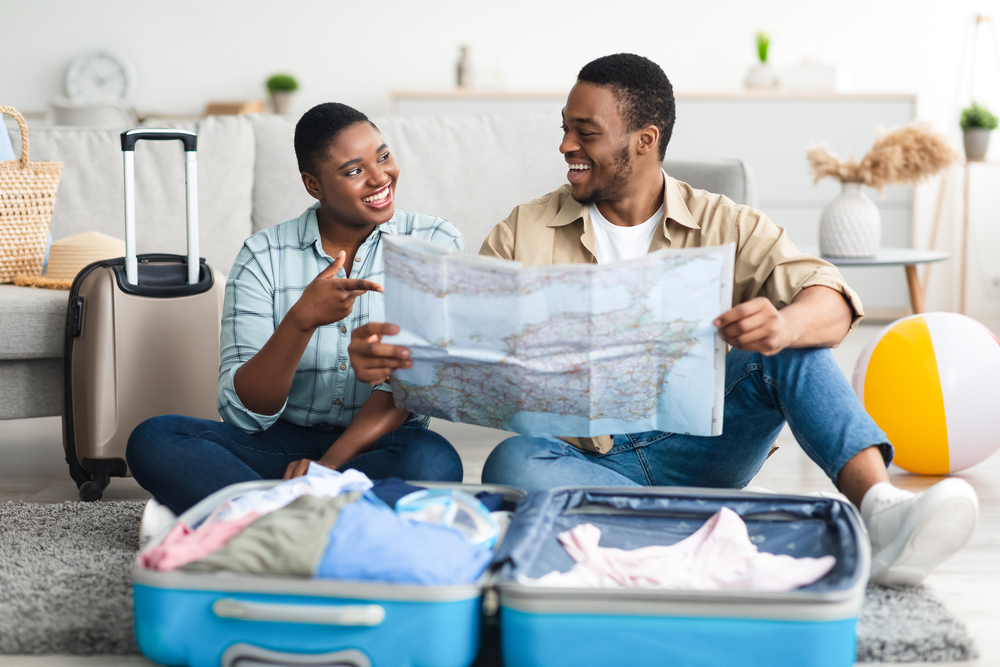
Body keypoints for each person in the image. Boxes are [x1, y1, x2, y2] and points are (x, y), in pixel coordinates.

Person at [347, 54, 979, 586]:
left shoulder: (724, 222)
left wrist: (782, 327)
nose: (566, 145)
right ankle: (699, 527)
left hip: (700, 448)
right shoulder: (525, 228)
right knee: (512, 464)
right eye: (565, 129)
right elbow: (462, 349)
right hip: (581, 459)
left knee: (795, 347)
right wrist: (403, 362)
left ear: (644, 139)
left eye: (585, 132)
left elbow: (833, 298)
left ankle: (882, 509)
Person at [127, 102, 464, 521]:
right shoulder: (262, 255)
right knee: (155, 437)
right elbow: (243, 409)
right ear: (313, 184)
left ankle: (255, 519)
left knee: (433, 463)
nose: (380, 177)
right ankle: (318, 523)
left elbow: (411, 385)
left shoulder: (434, 241)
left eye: (383, 156)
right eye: (355, 170)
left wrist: (325, 470)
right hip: (277, 446)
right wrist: (300, 320)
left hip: (383, 444)